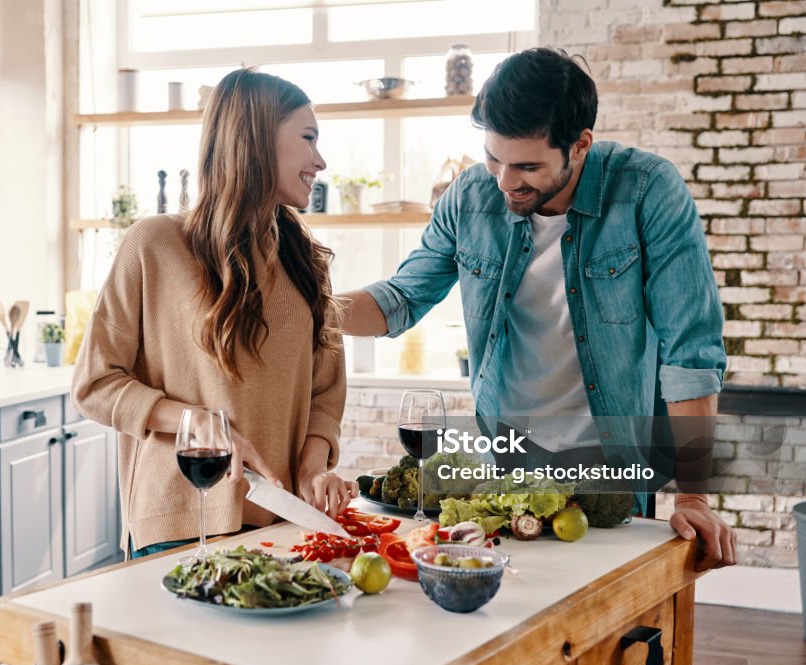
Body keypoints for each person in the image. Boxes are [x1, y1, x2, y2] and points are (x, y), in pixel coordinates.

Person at [339, 48, 736, 570]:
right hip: (498, 464)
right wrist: (306, 308)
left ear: (581, 145)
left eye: (527, 165)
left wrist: (693, 499)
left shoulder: (646, 192)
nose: (505, 180)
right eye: (493, 158)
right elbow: (402, 298)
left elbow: (691, 353)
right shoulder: (470, 197)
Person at [72, 68, 356, 559]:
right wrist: (197, 422)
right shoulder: (155, 244)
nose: (320, 160)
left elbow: (325, 392)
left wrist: (312, 467)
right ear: (257, 140)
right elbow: (94, 384)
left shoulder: (306, 262)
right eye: (308, 138)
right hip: (178, 520)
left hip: (279, 519)